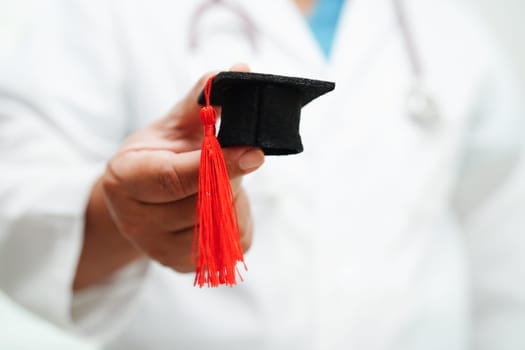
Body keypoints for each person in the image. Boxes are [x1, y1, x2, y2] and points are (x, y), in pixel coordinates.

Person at [0, 0, 524, 349]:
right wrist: (123, 218)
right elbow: (17, 204)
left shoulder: (452, 30)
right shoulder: (106, 15)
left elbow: (502, 249)